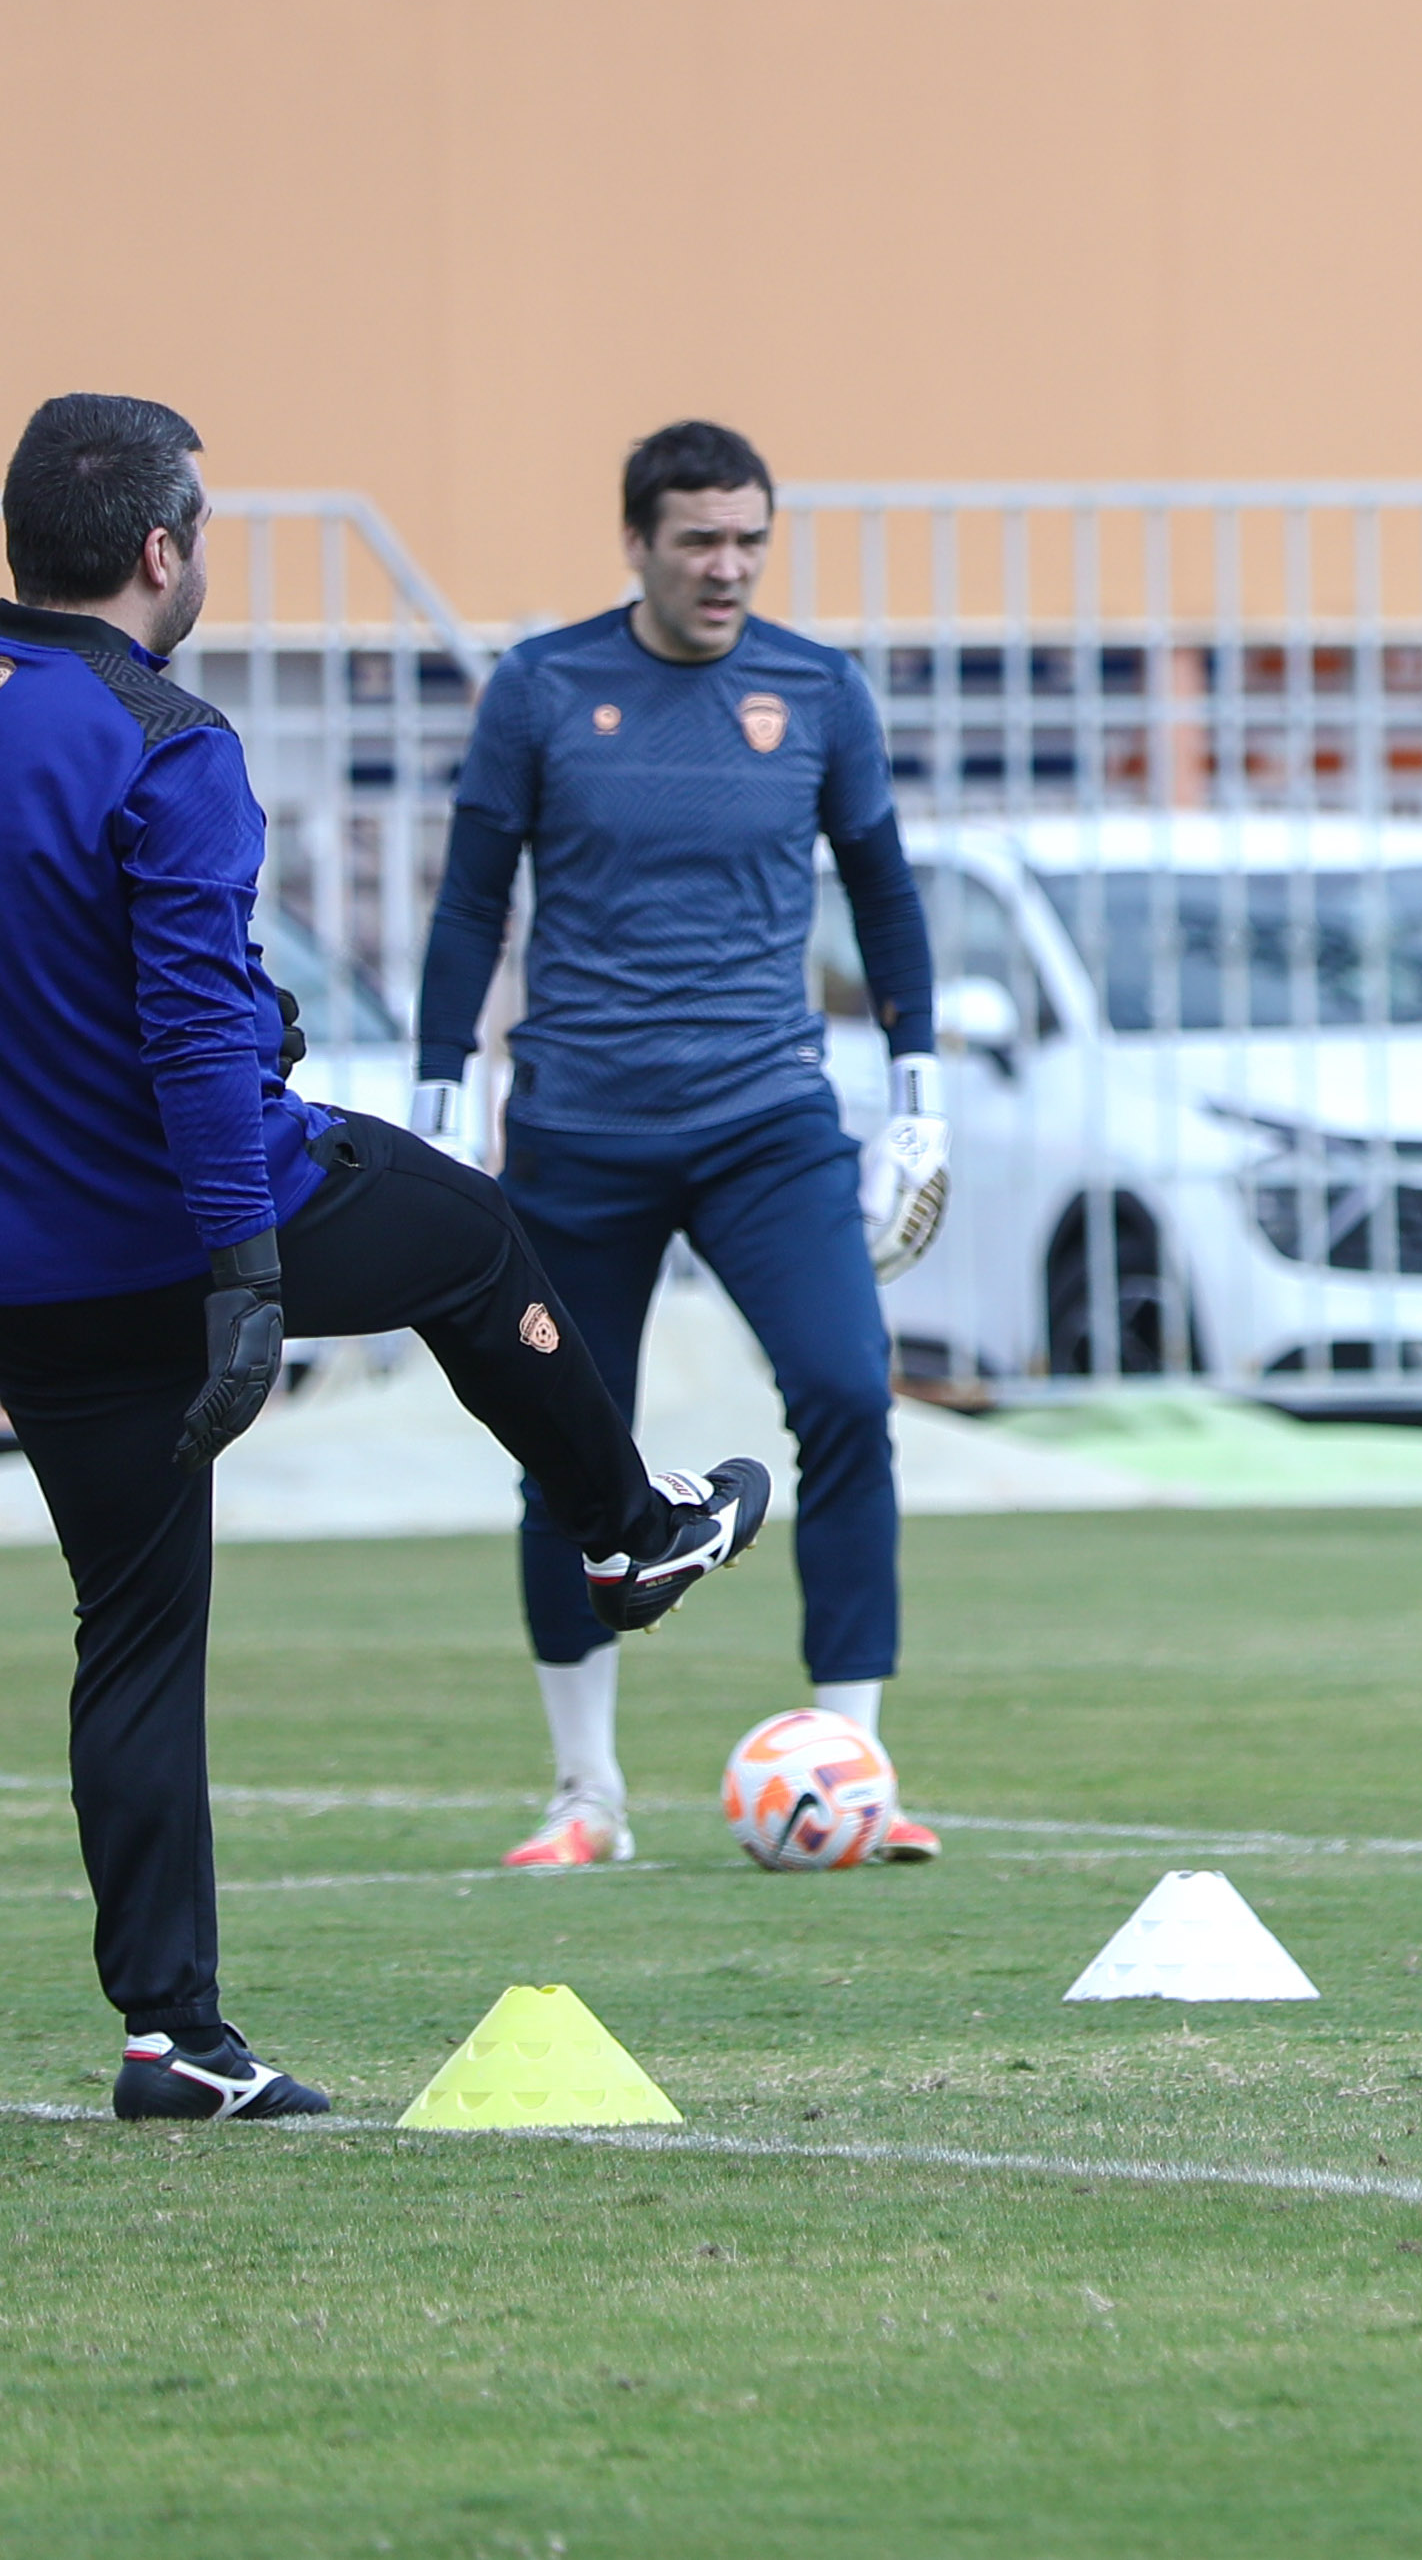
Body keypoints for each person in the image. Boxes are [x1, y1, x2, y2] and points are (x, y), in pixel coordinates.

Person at [0, 394, 770, 2116]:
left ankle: (175, 2039)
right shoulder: (164, 738)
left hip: (15, 1272)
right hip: (198, 1221)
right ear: (159, 549)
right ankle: (628, 1539)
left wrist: (22, 997)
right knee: (476, 1233)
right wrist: (250, 1277)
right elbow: (195, 1026)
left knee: (133, 1632)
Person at [408, 420, 953, 1873]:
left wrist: (919, 1088)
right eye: (700, 540)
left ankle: (855, 1763)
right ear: (638, 542)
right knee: (562, 1451)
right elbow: (471, 903)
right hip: (577, 1130)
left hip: (769, 1124)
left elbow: (885, 897)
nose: (728, 568)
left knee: (846, 1394)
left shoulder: (817, 691)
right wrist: (440, 1088)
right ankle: (587, 1795)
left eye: (749, 541)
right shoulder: (542, 688)